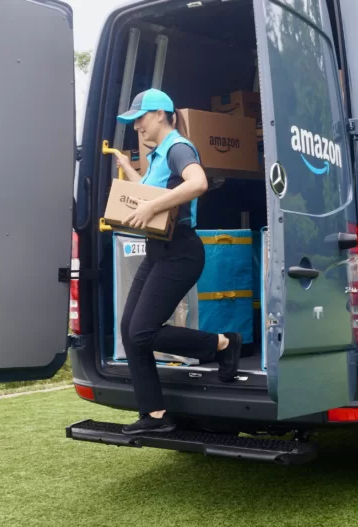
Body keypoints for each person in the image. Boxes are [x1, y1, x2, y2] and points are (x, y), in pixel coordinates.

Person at [112, 89, 242, 435]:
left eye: (139, 118)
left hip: (180, 252)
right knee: (130, 331)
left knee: (142, 332)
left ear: (159, 113)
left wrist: (152, 207)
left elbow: (197, 183)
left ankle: (222, 343)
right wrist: (129, 170)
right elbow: (152, 196)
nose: (136, 126)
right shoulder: (157, 157)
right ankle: (154, 416)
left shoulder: (178, 147)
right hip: (158, 251)